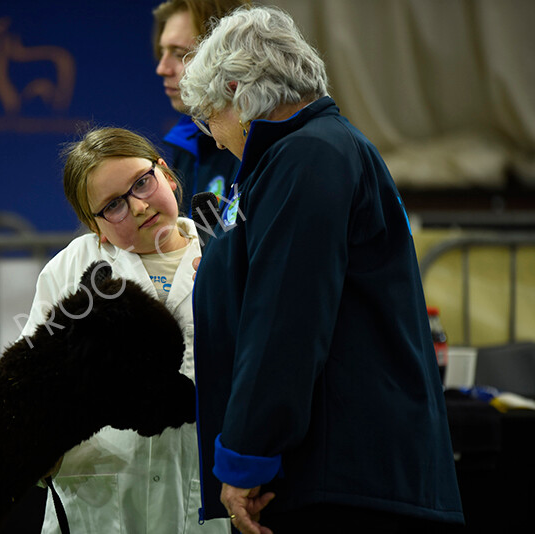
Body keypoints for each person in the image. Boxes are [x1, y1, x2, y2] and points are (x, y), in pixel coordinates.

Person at [180, 5, 465, 533]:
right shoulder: (315, 151)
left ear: (240, 93)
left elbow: (284, 321)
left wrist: (246, 456)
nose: (214, 138)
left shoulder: (306, 157)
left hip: (344, 482)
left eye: (209, 116)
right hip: (346, 474)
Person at [17, 127, 229, 534]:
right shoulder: (72, 269)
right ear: (93, 225)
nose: (136, 207)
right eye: (112, 205)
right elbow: (26, 382)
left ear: (166, 173)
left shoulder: (225, 249)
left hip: (202, 491)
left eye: (142, 183)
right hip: (96, 498)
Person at [152, 0, 247, 215]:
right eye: (162, 52)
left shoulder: (254, 145)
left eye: (179, 54)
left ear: (227, 56)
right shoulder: (187, 140)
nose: (162, 68)